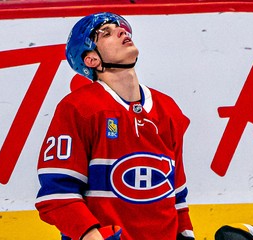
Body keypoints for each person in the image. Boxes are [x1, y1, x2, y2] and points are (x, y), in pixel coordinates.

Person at [35, 12, 195, 240]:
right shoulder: (78, 108)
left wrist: (186, 233)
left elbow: (176, 192)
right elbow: (57, 194)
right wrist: (92, 236)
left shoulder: (167, 109)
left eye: (121, 29)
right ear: (92, 60)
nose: (122, 31)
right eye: (106, 33)